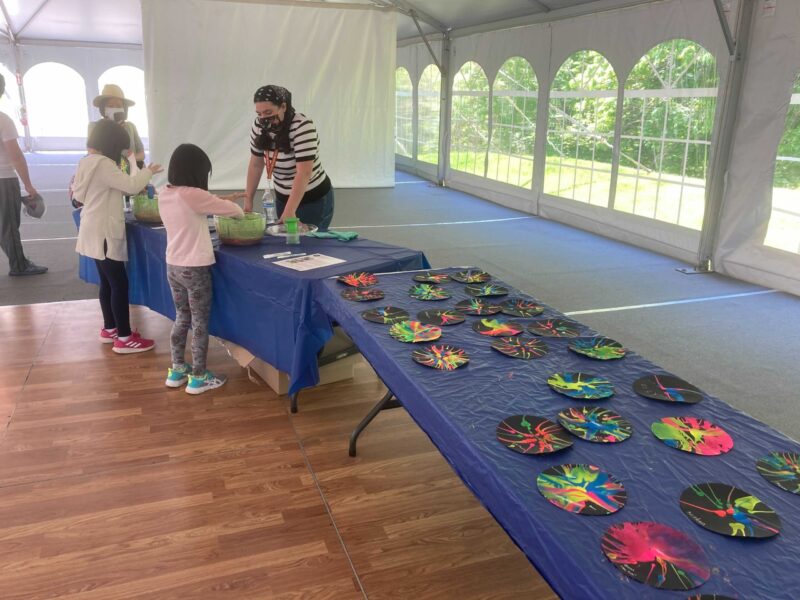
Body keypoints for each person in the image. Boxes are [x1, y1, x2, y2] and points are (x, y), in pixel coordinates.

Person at [158, 144, 244, 394]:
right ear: (196, 172)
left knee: (181, 317)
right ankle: (198, 377)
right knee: (199, 323)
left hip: (172, 265)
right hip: (194, 268)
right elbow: (235, 212)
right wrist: (228, 204)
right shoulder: (193, 194)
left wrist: (218, 201)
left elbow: (199, 206)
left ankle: (177, 370)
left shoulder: (165, 192)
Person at [73, 119, 161, 354]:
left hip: (92, 227)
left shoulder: (86, 162)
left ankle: (110, 328)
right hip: (103, 230)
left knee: (107, 283)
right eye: (120, 148)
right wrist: (148, 171)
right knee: (119, 284)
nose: (121, 153)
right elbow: (131, 186)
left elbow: (116, 187)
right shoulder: (103, 164)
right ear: (110, 143)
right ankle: (124, 337)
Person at [244, 85, 334, 230]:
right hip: (282, 197)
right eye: (259, 114)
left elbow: (303, 172)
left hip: (313, 199)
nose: (263, 119)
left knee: (311, 246)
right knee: (288, 245)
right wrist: (248, 200)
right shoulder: (258, 126)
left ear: (283, 106)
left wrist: (289, 212)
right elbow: (256, 164)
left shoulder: (302, 126)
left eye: (268, 112)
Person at [0, 74, 47, 276]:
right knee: (9, 224)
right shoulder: (3, 121)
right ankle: (19, 265)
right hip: (3, 179)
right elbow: (16, 156)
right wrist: (28, 185)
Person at [89, 84, 145, 169]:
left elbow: (141, 154)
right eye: (110, 106)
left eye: (119, 106)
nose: (115, 108)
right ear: (103, 108)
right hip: (106, 174)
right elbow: (93, 154)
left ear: (124, 108)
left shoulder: (130, 127)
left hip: (131, 175)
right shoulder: (94, 127)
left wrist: (128, 161)